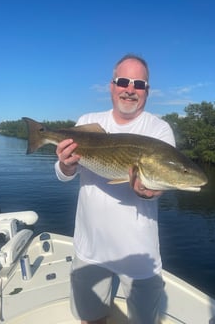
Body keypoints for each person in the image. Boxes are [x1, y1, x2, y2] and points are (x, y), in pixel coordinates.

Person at [55, 54, 175, 324]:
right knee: (91, 320)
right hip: (90, 250)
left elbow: (160, 184)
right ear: (112, 86)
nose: (130, 89)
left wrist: (150, 191)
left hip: (139, 256)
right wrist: (66, 166)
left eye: (139, 84)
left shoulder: (160, 130)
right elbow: (63, 174)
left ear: (147, 91)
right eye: (123, 81)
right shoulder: (88, 120)